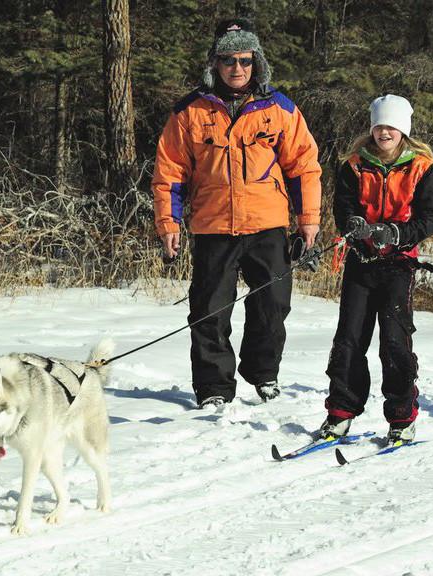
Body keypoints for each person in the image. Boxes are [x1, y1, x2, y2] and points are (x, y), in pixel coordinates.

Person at [152, 18, 322, 408]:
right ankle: (214, 386)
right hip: (213, 226)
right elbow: (169, 173)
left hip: (267, 225)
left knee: (273, 305)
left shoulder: (280, 108)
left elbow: (304, 167)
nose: (237, 68)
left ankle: (263, 373)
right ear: (215, 63)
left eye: (245, 60)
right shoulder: (189, 111)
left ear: (256, 61)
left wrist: (308, 220)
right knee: (209, 311)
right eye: (228, 60)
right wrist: (168, 222)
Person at [320, 94, 433, 444]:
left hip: (399, 265)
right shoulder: (354, 165)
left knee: (394, 341)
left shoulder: (423, 168)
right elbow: (343, 207)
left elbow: (431, 218)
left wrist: (398, 233)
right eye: (379, 126)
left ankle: (402, 416)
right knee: (349, 339)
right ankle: (340, 412)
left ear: (402, 129)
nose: (384, 132)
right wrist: (353, 224)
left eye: (391, 126)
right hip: (361, 262)